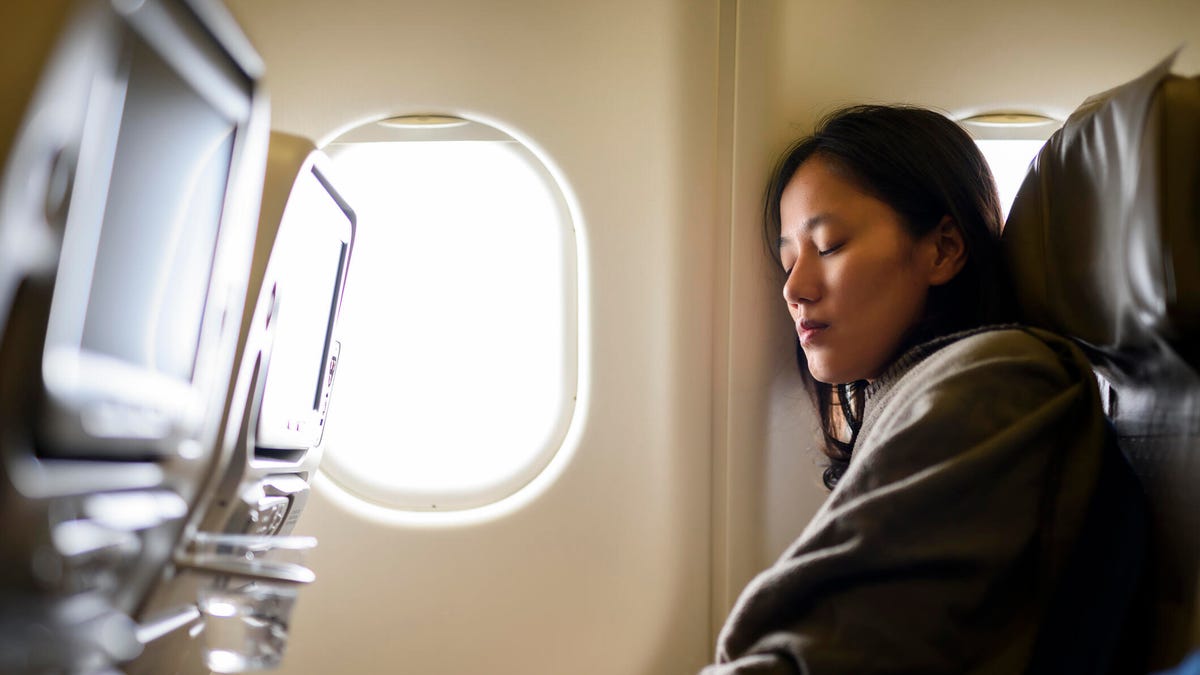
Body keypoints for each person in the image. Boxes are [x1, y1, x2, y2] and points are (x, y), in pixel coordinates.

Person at [702, 105, 1145, 674]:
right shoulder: (913, 393)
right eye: (789, 261)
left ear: (943, 249)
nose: (796, 289)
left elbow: (839, 654)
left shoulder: (999, 385)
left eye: (830, 245)